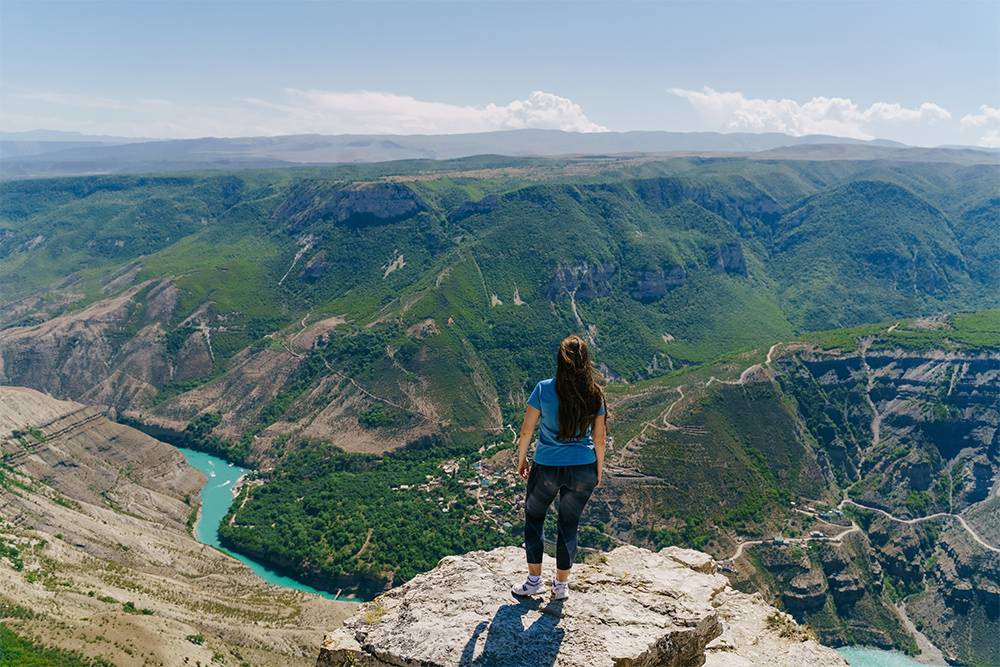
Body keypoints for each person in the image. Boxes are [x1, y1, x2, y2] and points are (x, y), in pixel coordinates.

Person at [511, 335, 607, 601]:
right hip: (583, 468)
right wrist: (598, 470)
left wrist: (522, 460)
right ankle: (561, 586)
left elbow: (526, 430)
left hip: (547, 467)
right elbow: (599, 439)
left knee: (534, 518)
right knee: (569, 524)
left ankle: (533, 581)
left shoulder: (543, 389)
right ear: (586, 363)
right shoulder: (595, 394)